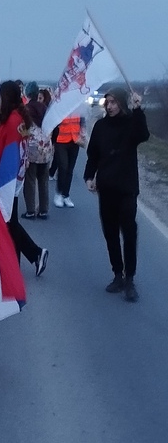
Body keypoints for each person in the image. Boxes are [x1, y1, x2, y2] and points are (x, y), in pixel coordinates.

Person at [84, 87, 149, 302]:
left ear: (121, 103)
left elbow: (143, 135)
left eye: (113, 102)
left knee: (129, 233)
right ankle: (117, 274)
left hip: (127, 188)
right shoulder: (101, 126)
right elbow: (93, 154)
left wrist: (138, 109)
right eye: (107, 102)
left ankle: (130, 279)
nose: (110, 106)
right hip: (107, 187)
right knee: (110, 232)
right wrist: (89, 176)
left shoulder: (131, 124)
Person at [0, 81, 49, 276]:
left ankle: (32, 255)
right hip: (17, 175)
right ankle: (23, 259)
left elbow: (1, 151)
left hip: (8, 176)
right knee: (9, 220)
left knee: (8, 220)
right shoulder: (19, 117)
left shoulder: (12, 120)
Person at [22, 84, 52, 220]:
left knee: (30, 180)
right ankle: (43, 210)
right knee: (43, 180)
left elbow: (24, 129)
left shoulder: (26, 109)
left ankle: (30, 210)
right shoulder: (45, 108)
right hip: (45, 147)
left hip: (32, 147)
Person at [53, 112, 85, 208]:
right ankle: (58, 193)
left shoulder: (77, 104)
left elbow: (82, 119)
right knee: (63, 167)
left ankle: (65, 194)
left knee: (70, 170)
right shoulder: (61, 105)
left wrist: (83, 129)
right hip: (61, 140)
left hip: (75, 140)